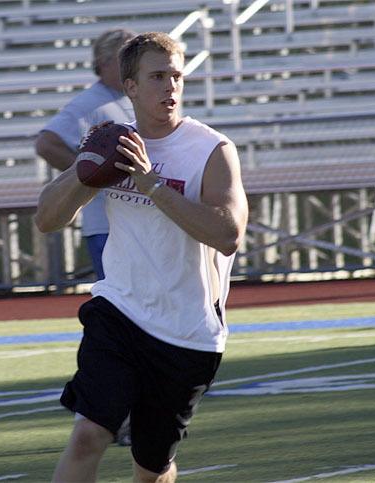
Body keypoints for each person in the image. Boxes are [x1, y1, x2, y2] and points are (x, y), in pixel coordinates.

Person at [34, 31, 248, 483]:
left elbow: (227, 235)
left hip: (187, 332)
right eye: (157, 77)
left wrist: (152, 184)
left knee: (152, 468)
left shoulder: (211, 149)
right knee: (88, 434)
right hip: (120, 311)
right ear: (130, 86)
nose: (170, 87)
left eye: (176, 76)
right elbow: (47, 218)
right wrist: (86, 173)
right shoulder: (112, 143)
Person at [35, 28, 136, 280]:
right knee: (119, 306)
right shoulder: (91, 102)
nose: (133, 65)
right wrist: (91, 173)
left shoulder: (131, 98)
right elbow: (47, 143)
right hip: (107, 224)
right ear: (104, 62)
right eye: (126, 58)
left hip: (137, 222)